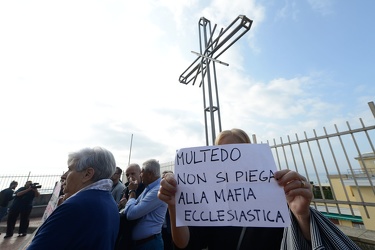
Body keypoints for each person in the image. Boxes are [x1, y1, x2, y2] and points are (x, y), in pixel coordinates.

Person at [158, 128, 361, 250]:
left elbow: (304, 241)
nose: (229, 161)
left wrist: (302, 214)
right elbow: (186, 244)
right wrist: (174, 207)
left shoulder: (274, 195)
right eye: (221, 155)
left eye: (237, 154)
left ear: (252, 156)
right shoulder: (209, 200)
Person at [27, 146, 120, 249]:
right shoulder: (110, 202)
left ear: (87, 174)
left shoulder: (74, 207)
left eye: (70, 169)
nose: (64, 175)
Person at [123, 159, 168, 249]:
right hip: (143, 243)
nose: (140, 175)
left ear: (150, 174)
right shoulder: (149, 188)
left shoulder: (157, 190)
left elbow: (131, 214)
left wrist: (132, 191)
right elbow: (131, 208)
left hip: (150, 244)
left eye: (142, 172)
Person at [115, 163, 146, 250]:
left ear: (140, 173)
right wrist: (121, 206)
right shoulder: (126, 188)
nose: (130, 177)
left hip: (137, 235)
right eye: (128, 175)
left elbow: (137, 212)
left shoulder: (145, 189)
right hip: (124, 232)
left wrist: (128, 204)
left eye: (133, 174)